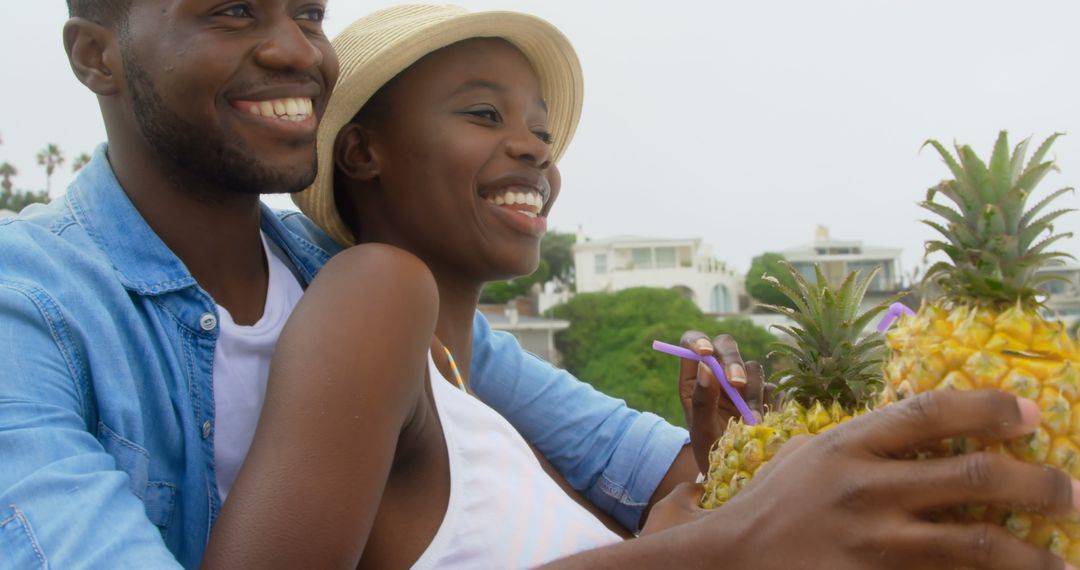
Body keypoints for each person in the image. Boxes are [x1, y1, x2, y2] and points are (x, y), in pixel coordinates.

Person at [0, 1, 1073, 569]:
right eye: (233, 8)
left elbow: (642, 464)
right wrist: (729, 547)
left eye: (311, 10)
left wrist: (763, 470)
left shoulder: (364, 289)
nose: (293, 47)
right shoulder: (33, 303)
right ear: (94, 54)